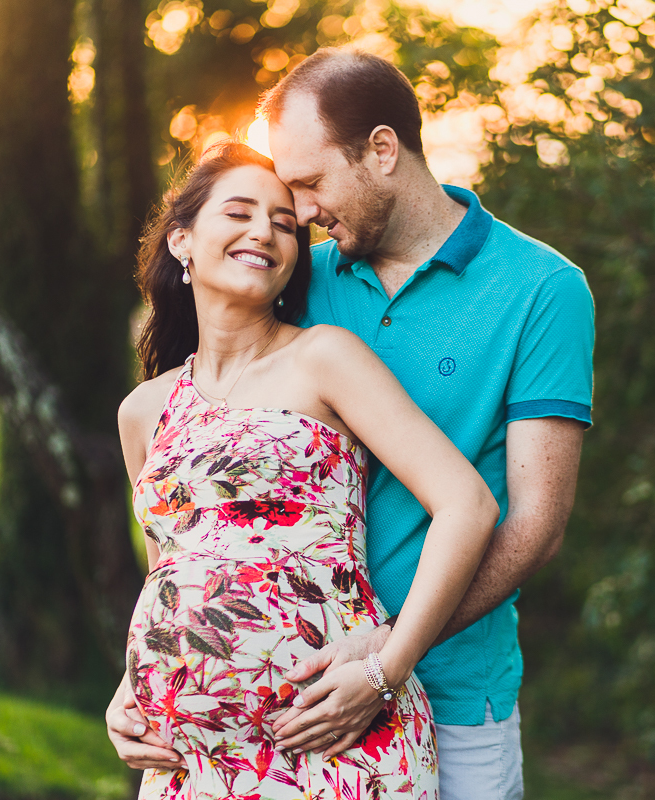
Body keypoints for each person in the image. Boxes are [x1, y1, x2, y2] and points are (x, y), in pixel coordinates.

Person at [109, 140, 498, 799]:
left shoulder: (324, 360)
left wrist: (387, 667)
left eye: (284, 223)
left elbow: (468, 504)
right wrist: (130, 687)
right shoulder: (143, 410)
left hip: (337, 742)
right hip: (189, 764)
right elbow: (168, 572)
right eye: (238, 212)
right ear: (181, 241)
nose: (264, 230)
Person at [257, 49, 594, 800]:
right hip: (298, 690)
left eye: (311, 183)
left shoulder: (542, 289)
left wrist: (391, 653)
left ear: (382, 150)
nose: (302, 210)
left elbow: (537, 524)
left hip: (454, 695)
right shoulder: (300, 278)